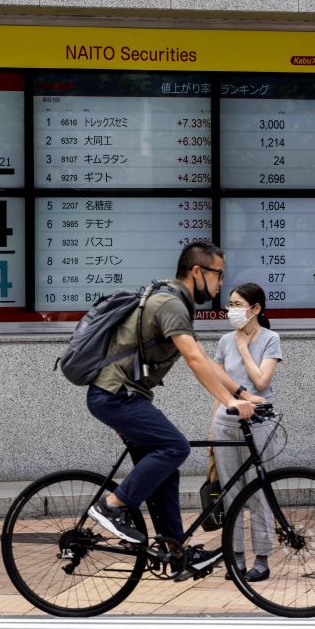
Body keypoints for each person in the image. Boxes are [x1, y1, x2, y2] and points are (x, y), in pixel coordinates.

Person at [85, 241, 262, 582]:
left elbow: (204, 358)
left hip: (124, 395)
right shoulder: (170, 303)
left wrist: (242, 393)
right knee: (175, 447)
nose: (220, 283)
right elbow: (195, 360)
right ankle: (112, 506)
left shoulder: (175, 303)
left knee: (167, 470)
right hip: (115, 395)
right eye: (218, 274)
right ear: (197, 271)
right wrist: (228, 403)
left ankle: (174, 552)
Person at [209, 283, 281, 582]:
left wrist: (243, 349)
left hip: (259, 424)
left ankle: (262, 558)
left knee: (259, 490)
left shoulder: (270, 338)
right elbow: (218, 386)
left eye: (238, 305)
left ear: (256, 309)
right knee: (231, 492)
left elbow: (261, 382)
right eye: (230, 304)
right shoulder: (224, 340)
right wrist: (211, 426)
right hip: (225, 423)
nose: (231, 310)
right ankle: (235, 557)